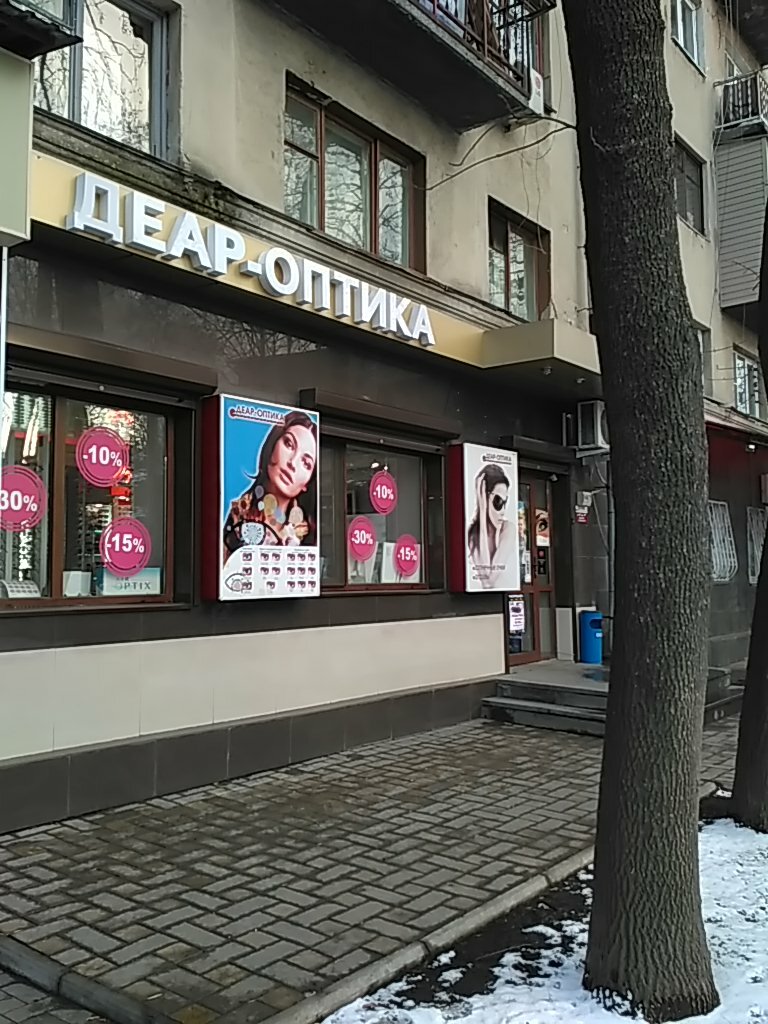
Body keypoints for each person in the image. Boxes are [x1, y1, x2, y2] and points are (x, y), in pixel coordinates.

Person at [223, 411, 317, 562]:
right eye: (289, 444)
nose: (292, 463)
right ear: (272, 445)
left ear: (307, 483)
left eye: (306, 463)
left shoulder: (308, 534)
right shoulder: (239, 514)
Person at [467, 463, 516, 590]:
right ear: (484, 498)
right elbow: (486, 583)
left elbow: (490, 581)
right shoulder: (472, 534)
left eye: (505, 502)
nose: (503, 511)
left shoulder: (508, 529)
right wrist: (482, 511)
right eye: (497, 501)